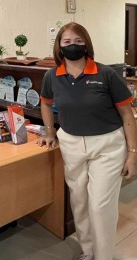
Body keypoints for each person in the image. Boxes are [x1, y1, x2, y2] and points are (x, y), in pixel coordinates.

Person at [38, 22, 137, 260]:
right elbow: (45, 102)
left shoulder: (106, 74)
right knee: (80, 203)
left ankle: (104, 256)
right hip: (71, 144)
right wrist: (50, 132)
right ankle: (88, 251)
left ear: (87, 44)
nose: (73, 46)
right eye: (67, 42)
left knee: (100, 207)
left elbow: (127, 113)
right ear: (59, 47)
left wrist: (133, 152)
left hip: (107, 146)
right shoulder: (52, 75)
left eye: (79, 42)